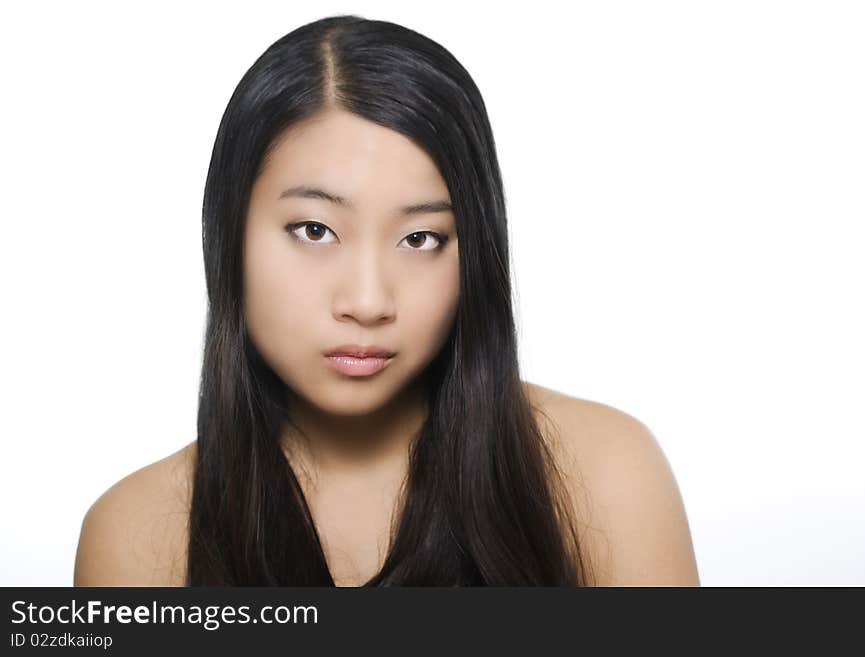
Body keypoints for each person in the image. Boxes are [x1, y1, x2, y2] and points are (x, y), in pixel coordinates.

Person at [73, 14, 699, 586]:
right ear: (228, 231)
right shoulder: (138, 533)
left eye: (420, 238)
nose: (368, 302)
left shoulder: (604, 474)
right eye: (314, 230)